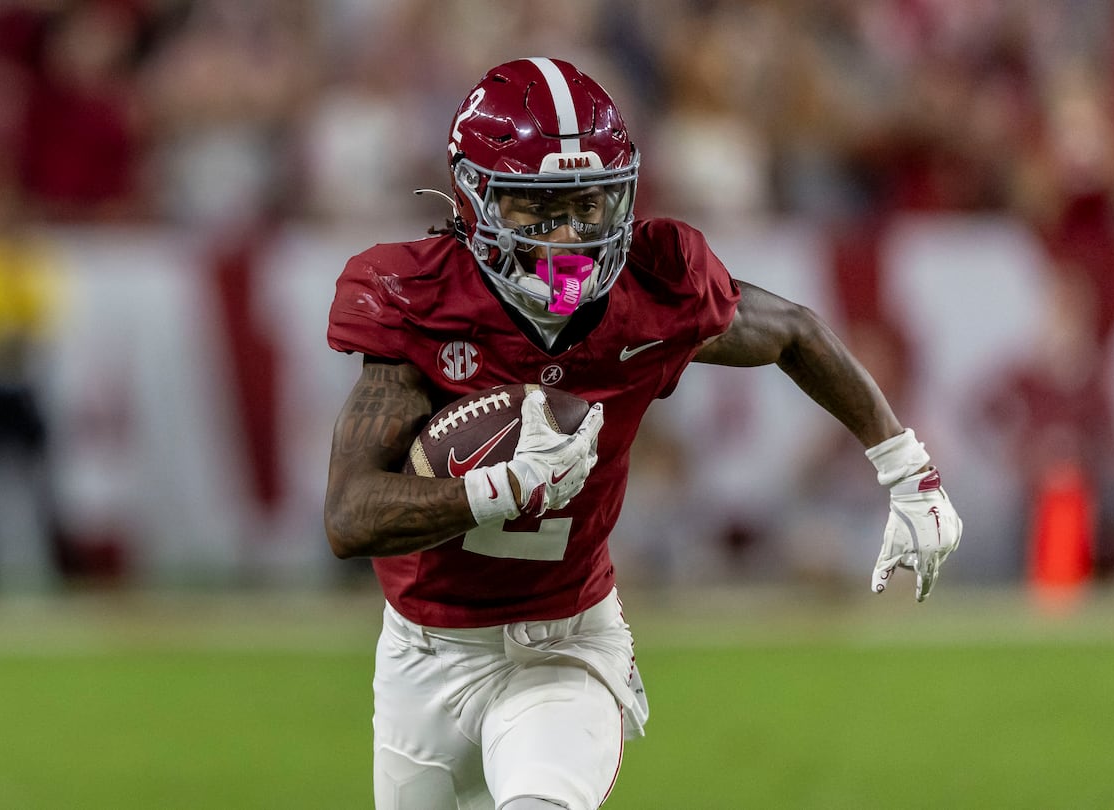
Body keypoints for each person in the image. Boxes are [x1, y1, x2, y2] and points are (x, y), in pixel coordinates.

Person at [324, 57, 962, 810]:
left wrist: (906, 468)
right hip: (421, 657)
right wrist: (495, 489)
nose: (569, 238)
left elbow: (792, 331)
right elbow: (349, 516)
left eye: (588, 205)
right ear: (477, 201)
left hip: (565, 645)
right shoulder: (419, 299)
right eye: (538, 210)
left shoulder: (649, 293)